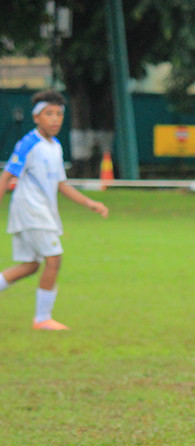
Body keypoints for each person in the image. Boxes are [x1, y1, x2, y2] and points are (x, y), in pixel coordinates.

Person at [0, 90, 109, 330]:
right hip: (31, 211)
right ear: (36, 117)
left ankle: (42, 318)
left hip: (41, 213)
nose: (55, 119)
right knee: (53, 259)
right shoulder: (29, 143)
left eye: (59, 113)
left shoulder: (56, 146)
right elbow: (7, 175)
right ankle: (42, 319)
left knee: (30, 265)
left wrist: (89, 203)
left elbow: (61, 184)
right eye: (49, 113)